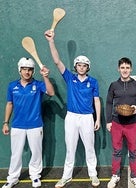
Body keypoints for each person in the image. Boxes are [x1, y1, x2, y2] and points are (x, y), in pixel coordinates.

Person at [44, 30, 101, 187]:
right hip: (71, 117)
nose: (81, 67)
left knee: (90, 147)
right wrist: (51, 41)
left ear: (87, 67)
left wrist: (97, 119)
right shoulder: (70, 77)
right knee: (70, 148)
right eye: (79, 65)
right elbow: (57, 62)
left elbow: (97, 101)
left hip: (87, 117)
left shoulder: (94, 82)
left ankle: (93, 174)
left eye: (84, 65)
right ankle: (66, 176)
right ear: (75, 66)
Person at [2, 57, 55, 188]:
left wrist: (46, 77)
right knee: (16, 153)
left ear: (33, 71)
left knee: (36, 152)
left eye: (30, 69)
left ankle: (35, 176)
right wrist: (5, 122)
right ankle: (13, 178)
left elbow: (51, 92)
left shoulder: (38, 85)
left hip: (35, 125)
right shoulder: (12, 86)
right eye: (24, 69)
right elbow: (9, 104)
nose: (27, 72)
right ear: (19, 70)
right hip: (17, 125)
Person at [106, 57, 136, 188]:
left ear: (131, 69)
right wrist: (108, 121)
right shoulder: (113, 85)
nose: (125, 70)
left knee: (133, 151)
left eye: (127, 68)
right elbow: (108, 103)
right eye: (122, 68)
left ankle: (135, 176)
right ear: (118, 69)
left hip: (132, 123)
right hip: (117, 123)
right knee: (117, 151)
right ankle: (115, 175)